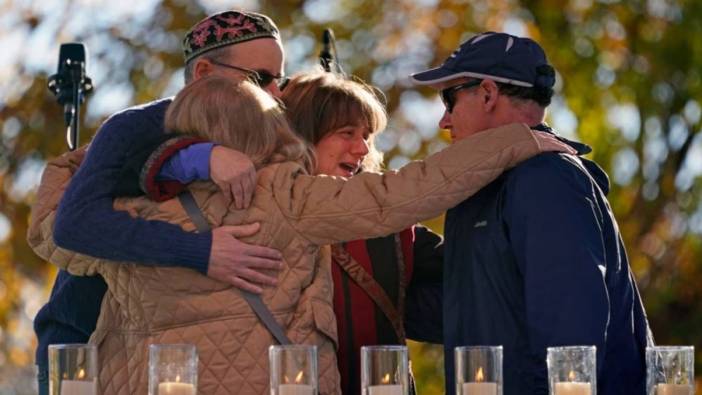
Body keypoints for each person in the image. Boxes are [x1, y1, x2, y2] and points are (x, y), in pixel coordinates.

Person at [32, 76, 570, 394]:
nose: (360, 150)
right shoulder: (284, 196)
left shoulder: (115, 212)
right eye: (346, 134)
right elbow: (408, 191)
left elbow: (55, 219)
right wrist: (517, 140)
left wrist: (159, 153)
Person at [27, 10, 288, 394]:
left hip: (176, 361)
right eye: (261, 79)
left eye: (281, 80)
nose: (276, 94)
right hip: (84, 351)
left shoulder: (272, 135)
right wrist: (201, 251)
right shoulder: (136, 127)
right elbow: (74, 224)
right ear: (203, 74)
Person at [139, 71, 447, 394]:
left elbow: (462, 297)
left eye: (367, 136)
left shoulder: (390, 230)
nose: (362, 148)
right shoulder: (245, 213)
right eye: (347, 133)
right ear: (305, 136)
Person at [409, 31, 653, 395]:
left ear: (489, 93)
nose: (444, 120)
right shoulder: (489, 187)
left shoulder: (544, 180)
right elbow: (471, 313)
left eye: (450, 99)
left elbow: (571, 346)